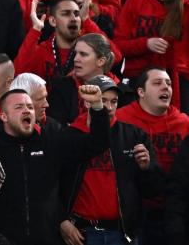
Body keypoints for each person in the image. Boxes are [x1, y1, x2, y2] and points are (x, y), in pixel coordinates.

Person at [0, 85, 109, 245]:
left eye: (30, 107)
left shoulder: (51, 140)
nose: (27, 110)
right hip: (3, 239)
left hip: (47, 238)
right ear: (4, 116)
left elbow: (97, 143)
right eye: (19, 107)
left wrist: (97, 107)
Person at [59, 75, 162, 245]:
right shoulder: (69, 136)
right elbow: (52, 185)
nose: (109, 107)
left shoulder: (134, 135)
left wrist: (147, 168)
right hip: (82, 233)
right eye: (103, 100)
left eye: (114, 101)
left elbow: (152, 190)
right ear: (86, 102)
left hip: (122, 233)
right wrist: (61, 220)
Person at [116, 67, 189, 244]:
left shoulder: (184, 122)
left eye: (169, 83)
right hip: (138, 210)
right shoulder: (121, 119)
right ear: (141, 92)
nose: (165, 87)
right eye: (157, 83)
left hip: (176, 208)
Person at [115, 0, 189, 88]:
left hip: (174, 79)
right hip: (137, 75)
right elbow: (118, 45)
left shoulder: (185, 7)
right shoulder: (136, 0)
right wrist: (146, 44)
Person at [47, 33, 117, 125]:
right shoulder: (61, 87)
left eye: (83, 54)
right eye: (75, 54)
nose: (76, 59)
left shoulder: (119, 90)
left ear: (101, 61)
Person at [15, 0, 84, 82]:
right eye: (66, 14)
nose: (74, 18)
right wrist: (36, 28)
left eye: (76, 14)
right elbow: (19, 74)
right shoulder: (42, 51)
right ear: (53, 21)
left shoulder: (88, 50)